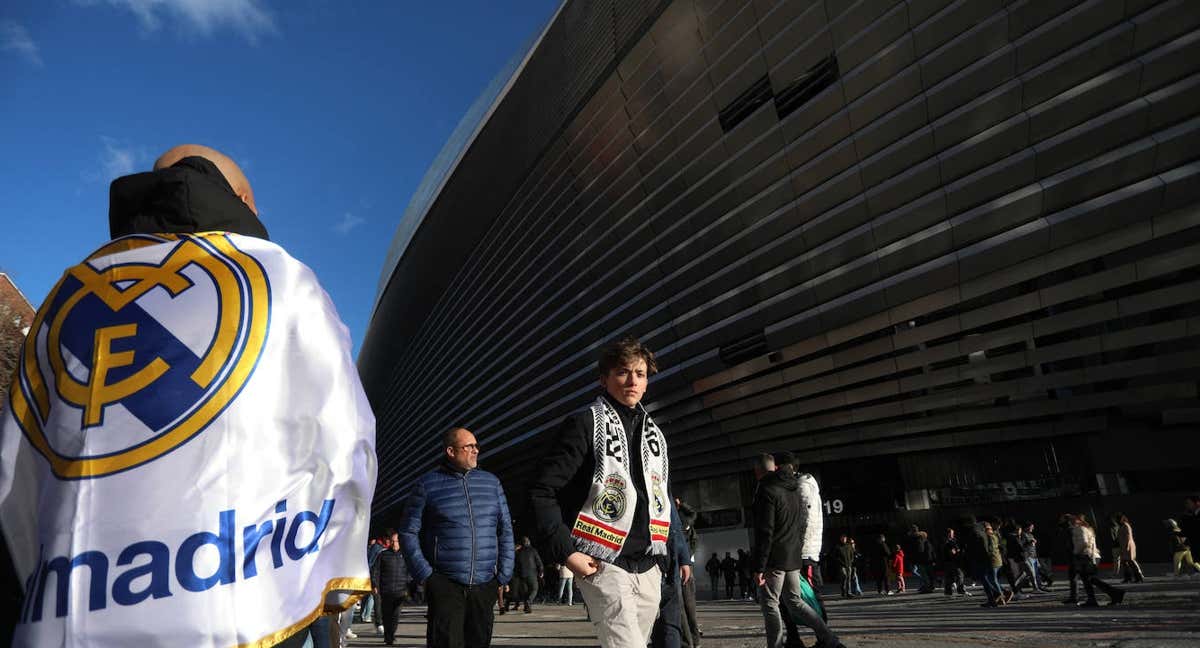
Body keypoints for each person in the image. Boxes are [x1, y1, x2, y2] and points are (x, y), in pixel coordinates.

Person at [0, 144, 376, 647]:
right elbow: (342, 436)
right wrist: (328, 565)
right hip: (242, 603)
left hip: (67, 610)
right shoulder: (277, 274)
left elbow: (17, 462)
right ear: (243, 199)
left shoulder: (70, 294)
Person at [528, 337, 675, 648]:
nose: (633, 380)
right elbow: (541, 491)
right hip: (603, 562)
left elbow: (661, 500)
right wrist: (567, 552)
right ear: (604, 378)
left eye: (640, 373)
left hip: (648, 564)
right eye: (623, 372)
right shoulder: (584, 424)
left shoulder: (655, 435)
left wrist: (669, 558)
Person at [399, 427, 515, 648]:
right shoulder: (426, 485)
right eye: (468, 446)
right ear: (451, 451)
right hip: (445, 585)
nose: (475, 450)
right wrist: (426, 575)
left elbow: (505, 529)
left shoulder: (491, 483)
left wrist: (503, 574)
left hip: (484, 585)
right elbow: (407, 531)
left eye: (476, 446)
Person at [751, 454, 844, 648]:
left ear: (757, 470)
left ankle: (775, 645)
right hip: (793, 556)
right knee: (795, 601)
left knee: (770, 604)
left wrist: (759, 566)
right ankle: (830, 639)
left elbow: (765, 531)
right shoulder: (792, 487)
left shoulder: (766, 490)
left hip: (774, 558)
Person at [1070, 514, 1125, 607]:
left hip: (1085, 556)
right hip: (1091, 556)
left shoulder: (1079, 529)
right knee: (1091, 579)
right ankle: (1114, 594)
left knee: (1088, 579)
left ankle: (1113, 594)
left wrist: (1076, 552)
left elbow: (1083, 542)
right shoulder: (1088, 528)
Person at [371, 531, 410, 646]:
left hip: (400, 591)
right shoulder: (383, 555)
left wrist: (409, 586)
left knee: (395, 615)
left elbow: (410, 573)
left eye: (396, 541)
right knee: (386, 615)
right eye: (392, 541)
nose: (394, 543)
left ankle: (391, 633)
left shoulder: (406, 556)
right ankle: (388, 637)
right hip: (386, 591)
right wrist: (374, 585)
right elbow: (375, 571)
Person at [513, 537, 544, 613]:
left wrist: (516, 574)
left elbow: (515, 564)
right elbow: (538, 561)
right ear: (528, 542)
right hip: (532, 573)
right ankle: (528, 602)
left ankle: (527, 607)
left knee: (525, 591)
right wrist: (541, 571)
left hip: (521, 575)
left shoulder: (518, 552)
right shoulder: (533, 550)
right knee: (534, 588)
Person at [1113, 515, 1144, 583]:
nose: (1116, 521)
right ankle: (1128, 578)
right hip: (1124, 547)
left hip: (1128, 547)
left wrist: (1126, 547)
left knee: (1131, 562)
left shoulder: (1126, 526)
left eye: (1117, 519)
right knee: (1125, 563)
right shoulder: (1122, 526)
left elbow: (1128, 537)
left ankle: (1139, 577)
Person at [941, 528, 967, 596]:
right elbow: (952, 552)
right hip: (952, 561)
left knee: (949, 577)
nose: (953, 534)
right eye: (952, 533)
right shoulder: (948, 541)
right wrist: (957, 550)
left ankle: (948, 591)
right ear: (949, 533)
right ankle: (960, 590)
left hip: (948, 561)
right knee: (959, 575)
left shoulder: (948, 540)